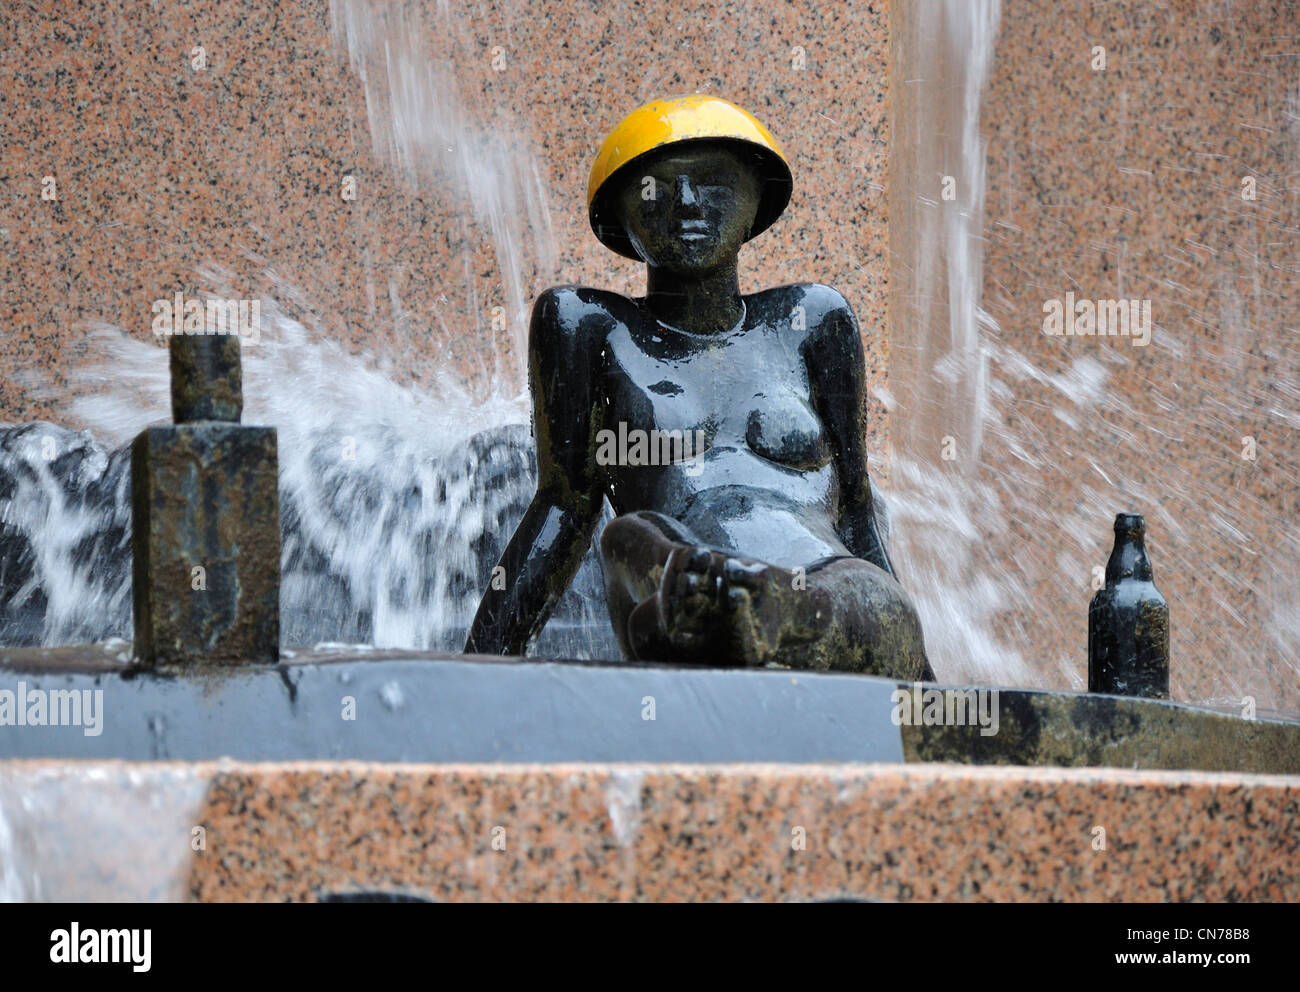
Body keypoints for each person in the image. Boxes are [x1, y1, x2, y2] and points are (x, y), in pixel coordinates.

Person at [466, 95, 932, 679]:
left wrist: (927, 693)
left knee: (870, 601)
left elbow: (857, 510)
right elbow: (565, 507)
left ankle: (763, 609)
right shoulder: (588, 324)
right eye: (657, 190)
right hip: (675, 582)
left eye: (714, 183)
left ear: (755, 202)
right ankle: (721, 597)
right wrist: (479, 667)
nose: (687, 203)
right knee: (631, 537)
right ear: (621, 215)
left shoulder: (813, 319)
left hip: (824, 586)